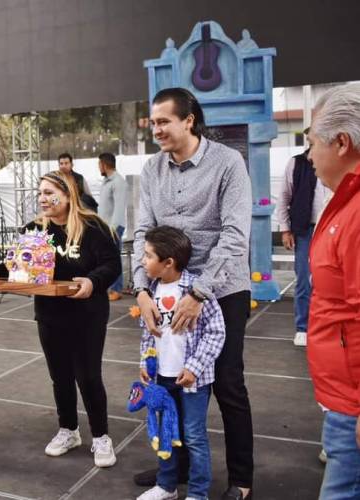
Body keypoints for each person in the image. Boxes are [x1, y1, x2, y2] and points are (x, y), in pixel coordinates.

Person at [132, 87, 254, 500]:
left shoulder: (227, 163)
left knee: (227, 383)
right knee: (168, 379)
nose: (157, 129)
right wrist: (141, 289)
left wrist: (199, 292)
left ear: (189, 120)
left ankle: (241, 479)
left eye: (164, 121)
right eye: (153, 122)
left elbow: (236, 236)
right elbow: (141, 233)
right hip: (165, 288)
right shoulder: (152, 169)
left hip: (222, 289)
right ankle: (176, 469)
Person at [0, 170, 121, 468]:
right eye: (40, 193)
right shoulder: (35, 229)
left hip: (87, 315)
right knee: (60, 376)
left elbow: (112, 265)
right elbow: (16, 261)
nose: (43, 198)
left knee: (88, 377)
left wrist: (92, 281)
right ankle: (68, 430)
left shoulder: (95, 228)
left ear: (68, 193)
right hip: (49, 315)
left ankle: (101, 436)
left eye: (49, 193)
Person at [135, 226, 225, 500]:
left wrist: (194, 368)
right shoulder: (149, 292)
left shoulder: (196, 291)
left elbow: (216, 332)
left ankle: (198, 493)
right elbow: (147, 332)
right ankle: (166, 486)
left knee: (194, 437)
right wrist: (144, 362)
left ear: (168, 262)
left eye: (148, 255)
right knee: (166, 433)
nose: (142, 261)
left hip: (192, 382)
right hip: (161, 379)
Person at [305, 83, 360, 499]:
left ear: (341, 142)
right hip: (342, 393)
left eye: (312, 142)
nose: (309, 156)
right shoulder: (345, 201)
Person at [274, 132, 331, 346]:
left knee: (328, 279)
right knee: (304, 279)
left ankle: (324, 326)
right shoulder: (297, 163)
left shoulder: (335, 161)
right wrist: (285, 229)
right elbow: (284, 196)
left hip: (330, 227)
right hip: (304, 228)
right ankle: (302, 327)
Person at [96, 152, 128, 301]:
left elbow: (119, 208)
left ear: (104, 164)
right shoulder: (106, 182)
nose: (98, 168)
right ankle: (110, 288)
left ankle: (117, 289)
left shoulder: (118, 182)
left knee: (114, 258)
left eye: (99, 164)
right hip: (105, 228)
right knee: (107, 258)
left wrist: (113, 229)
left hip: (113, 228)